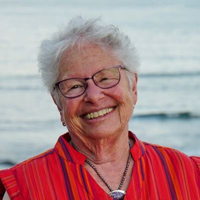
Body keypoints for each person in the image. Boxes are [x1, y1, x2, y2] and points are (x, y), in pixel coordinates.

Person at [0, 16, 200, 200]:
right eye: (75, 86)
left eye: (106, 78)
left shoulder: (190, 175)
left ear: (133, 87)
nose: (94, 96)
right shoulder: (21, 188)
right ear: (58, 104)